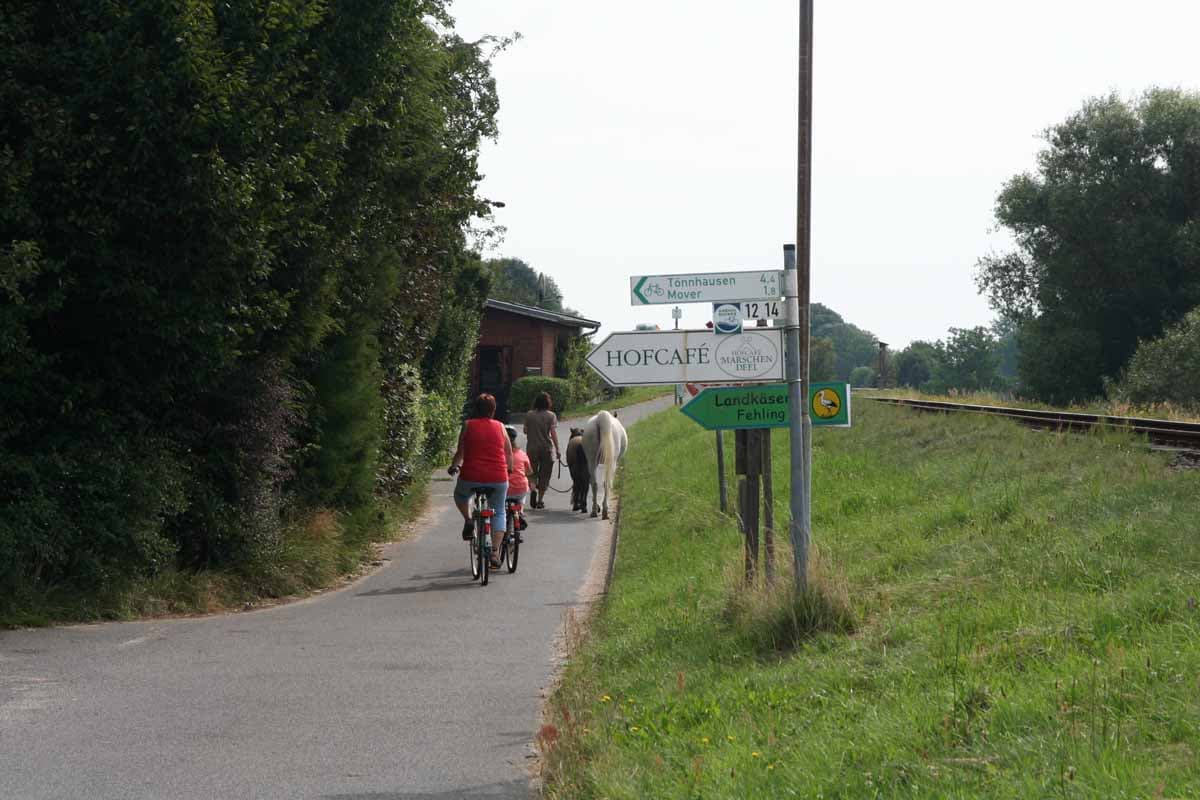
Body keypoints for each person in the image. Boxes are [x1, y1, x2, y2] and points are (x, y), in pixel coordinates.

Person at [448, 393, 512, 566]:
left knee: (460, 495)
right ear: (494, 410)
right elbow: (508, 452)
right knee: (499, 511)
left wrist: (454, 466)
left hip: (471, 476)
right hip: (498, 477)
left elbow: (461, 451)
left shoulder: (468, 425)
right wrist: (510, 469)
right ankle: (495, 552)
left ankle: (469, 520)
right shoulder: (500, 426)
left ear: (475, 409)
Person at [523, 391, 560, 508]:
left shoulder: (529, 415)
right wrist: (558, 449)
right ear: (548, 403)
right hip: (546, 448)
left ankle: (533, 488)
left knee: (531, 472)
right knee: (545, 475)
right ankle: (540, 500)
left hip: (532, 448)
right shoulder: (551, 416)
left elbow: (525, 430)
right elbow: (553, 433)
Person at [505, 425, 533, 534]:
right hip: (520, 489)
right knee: (522, 495)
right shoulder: (522, 454)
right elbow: (529, 471)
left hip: (505, 489)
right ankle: (520, 511)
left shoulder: (498, 454)